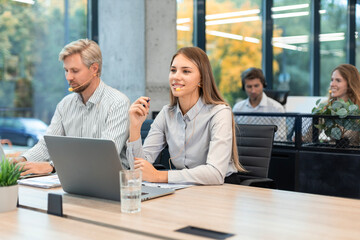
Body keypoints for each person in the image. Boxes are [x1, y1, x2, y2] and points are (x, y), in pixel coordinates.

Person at [127, 47, 246, 185]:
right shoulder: (167, 114)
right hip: (183, 187)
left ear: (201, 79)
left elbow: (215, 173)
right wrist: (135, 127)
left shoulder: (219, 113)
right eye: (173, 70)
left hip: (220, 188)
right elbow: (138, 169)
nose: (176, 77)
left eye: (186, 71)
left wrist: (159, 176)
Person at [13, 39, 130, 175]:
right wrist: (22, 160)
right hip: (73, 180)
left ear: (94, 69)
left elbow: (102, 157)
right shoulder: (65, 105)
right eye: (66, 70)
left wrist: (52, 166)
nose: (68, 77)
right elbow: (47, 145)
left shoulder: (118, 103)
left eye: (75, 71)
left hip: (109, 183)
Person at [232, 68, 286, 140]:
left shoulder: (277, 109)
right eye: (249, 86)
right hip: (243, 149)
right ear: (243, 87)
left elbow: (280, 138)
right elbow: (234, 135)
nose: (253, 91)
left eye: (256, 86)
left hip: (270, 150)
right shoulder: (238, 108)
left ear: (263, 85)